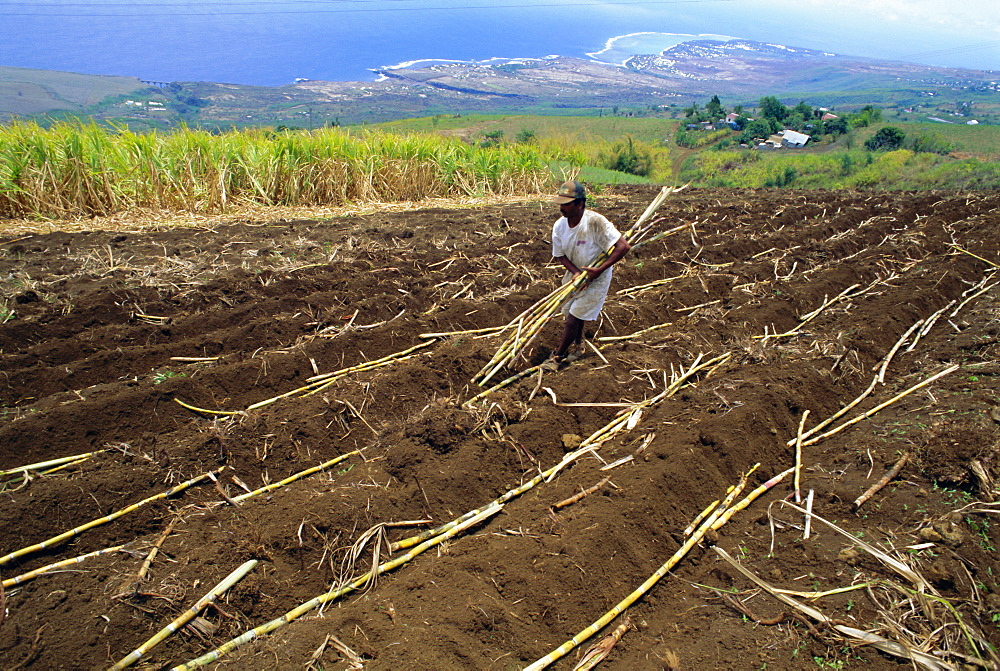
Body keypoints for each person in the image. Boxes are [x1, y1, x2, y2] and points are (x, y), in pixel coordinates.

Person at [548, 180, 630, 363]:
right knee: (570, 311)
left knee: (573, 316)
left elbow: (623, 246)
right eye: (561, 204)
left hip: (597, 277)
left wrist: (599, 270)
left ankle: (559, 355)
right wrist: (576, 272)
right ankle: (578, 346)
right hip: (576, 274)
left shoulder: (595, 222)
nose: (562, 208)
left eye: (567, 204)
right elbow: (560, 255)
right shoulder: (559, 226)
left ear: (580, 204)